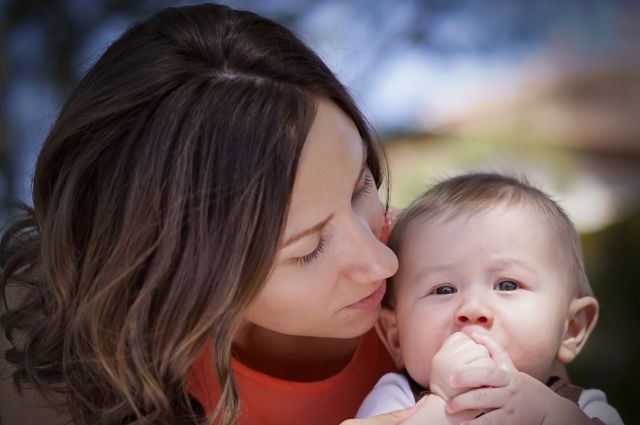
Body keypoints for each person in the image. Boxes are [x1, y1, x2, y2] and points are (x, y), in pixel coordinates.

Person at [0, 3, 432, 425]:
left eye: (361, 186)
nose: (384, 262)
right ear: (174, 269)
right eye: (307, 249)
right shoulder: (41, 353)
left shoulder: (458, 281)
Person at [356, 172, 624, 425]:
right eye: (444, 289)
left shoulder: (583, 407)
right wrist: (444, 408)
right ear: (395, 336)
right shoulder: (395, 398)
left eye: (507, 285)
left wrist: (551, 417)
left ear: (571, 328)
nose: (473, 309)